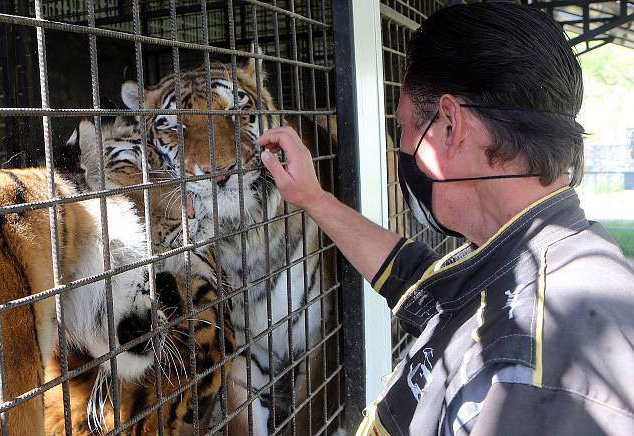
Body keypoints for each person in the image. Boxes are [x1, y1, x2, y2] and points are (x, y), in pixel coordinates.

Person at [255, 3, 634, 435]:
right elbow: (421, 282)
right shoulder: (523, 255)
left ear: (450, 125)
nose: (403, 146)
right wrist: (315, 199)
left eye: (404, 128)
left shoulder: (538, 364)